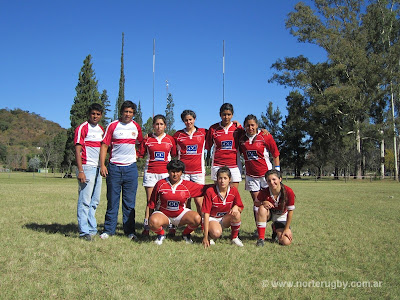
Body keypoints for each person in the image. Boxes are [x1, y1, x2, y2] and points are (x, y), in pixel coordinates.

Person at [99, 100, 143, 240]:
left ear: (133, 114)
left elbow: (142, 143)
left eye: (130, 112)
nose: (128, 114)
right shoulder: (113, 125)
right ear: (121, 112)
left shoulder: (136, 126)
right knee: (112, 201)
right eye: (126, 111)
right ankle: (108, 230)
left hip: (130, 168)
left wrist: (138, 155)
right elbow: (105, 145)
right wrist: (102, 164)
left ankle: (130, 231)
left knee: (129, 203)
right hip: (114, 168)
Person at [147, 160, 206, 245]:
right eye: (172, 172)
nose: (175, 174)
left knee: (197, 218)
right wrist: (150, 220)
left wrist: (218, 186)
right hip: (164, 215)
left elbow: (204, 189)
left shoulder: (187, 185)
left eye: (178, 172)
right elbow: (152, 203)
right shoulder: (161, 184)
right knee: (153, 221)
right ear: (168, 171)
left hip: (180, 215)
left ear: (182, 172)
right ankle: (161, 235)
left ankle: (185, 234)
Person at [238, 114, 280, 231]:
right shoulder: (242, 139)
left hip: (266, 176)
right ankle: (259, 229)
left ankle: (276, 226)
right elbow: (238, 129)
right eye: (247, 125)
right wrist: (237, 123)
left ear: (257, 125)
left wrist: (277, 172)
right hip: (251, 177)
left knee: (271, 203)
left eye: (252, 125)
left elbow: (275, 154)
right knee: (257, 203)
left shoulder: (265, 136)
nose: (250, 128)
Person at [138, 114, 177, 236]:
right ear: (153, 126)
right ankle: (147, 227)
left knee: (165, 200)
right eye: (156, 124)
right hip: (150, 173)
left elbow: (174, 154)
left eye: (161, 124)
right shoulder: (148, 139)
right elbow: (140, 154)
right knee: (150, 201)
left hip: (165, 174)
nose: (159, 126)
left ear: (165, 126)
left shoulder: (170, 139)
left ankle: (170, 225)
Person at [74, 103, 104, 241]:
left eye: (98, 114)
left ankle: (92, 229)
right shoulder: (82, 128)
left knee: (95, 201)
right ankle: (83, 231)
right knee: (84, 200)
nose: (95, 116)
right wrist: (81, 170)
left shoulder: (101, 130)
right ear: (89, 114)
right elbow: (78, 150)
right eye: (93, 113)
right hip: (86, 167)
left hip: (98, 168)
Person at [173, 110, 207, 214]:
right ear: (183, 121)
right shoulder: (178, 135)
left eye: (190, 120)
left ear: (194, 119)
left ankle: (203, 223)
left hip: (198, 171)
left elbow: (217, 130)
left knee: (199, 200)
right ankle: (189, 224)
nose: (188, 122)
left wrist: (235, 123)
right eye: (186, 120)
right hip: (184, 172)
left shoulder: (203, 132)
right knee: (186, 199)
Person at [202, 166, 244, 248]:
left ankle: (234, 238)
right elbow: (206, 214)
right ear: (217, 179)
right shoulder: (210, 191)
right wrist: (205, 237)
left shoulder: (233, 190)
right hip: (212, 218)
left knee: (236, 213)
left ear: (230, 179)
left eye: (225, 178)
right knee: (216, 233)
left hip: (224, 218)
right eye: (220, 178)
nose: (222, 181)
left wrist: (236, 207)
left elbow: (240, 206)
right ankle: (210, 236)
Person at [206, 103, 243, 189]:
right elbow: (207, 146)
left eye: (229, 114)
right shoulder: (213, 128)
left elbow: (249, 136)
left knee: (233, 194)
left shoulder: (238, 128)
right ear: (220, 114)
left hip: (234, 165)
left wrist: (262, 130)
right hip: (218, 164)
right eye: (224, 114)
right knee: (218, 193)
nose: (226, 117)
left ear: (232, 115)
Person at [255, 169, 295, 247]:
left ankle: (275, 229)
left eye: (274, 179)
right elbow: (256, 203)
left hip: (281, 216)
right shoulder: (264, 191)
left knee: (286, 242)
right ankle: (261, 239)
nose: (272, 182)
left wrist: (286, 229)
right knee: (262, 208)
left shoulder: (288, 191)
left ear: (280, 179)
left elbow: (290, 211)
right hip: (270, 214)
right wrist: (263, 202)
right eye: (269, 181)